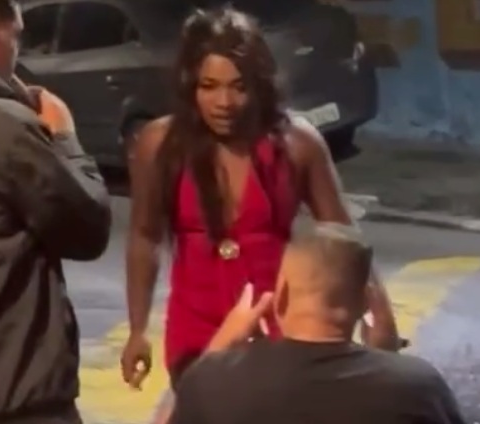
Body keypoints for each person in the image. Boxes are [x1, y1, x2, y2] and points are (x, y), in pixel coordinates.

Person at [122, 5, 400, 392]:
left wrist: (379, 314)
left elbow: (343, 235)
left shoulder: (297, 143)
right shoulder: (160, 144)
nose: (224, 102)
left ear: (259, 84)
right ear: (190, 85)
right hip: (196, 334)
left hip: (281, 333)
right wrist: (137, 330)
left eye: (238, 86)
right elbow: (144, 237)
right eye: (209, 86)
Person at [0, 1, 111, 423]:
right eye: (16, 37)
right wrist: (65, 137)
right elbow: (87, 230)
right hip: (11, 401)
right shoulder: (1, 125)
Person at [168, 223, 467, 424]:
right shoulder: (419, 387)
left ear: (280, 296)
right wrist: (389, 358)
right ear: (366, 302)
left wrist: (217, 351)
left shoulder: (212, 381)